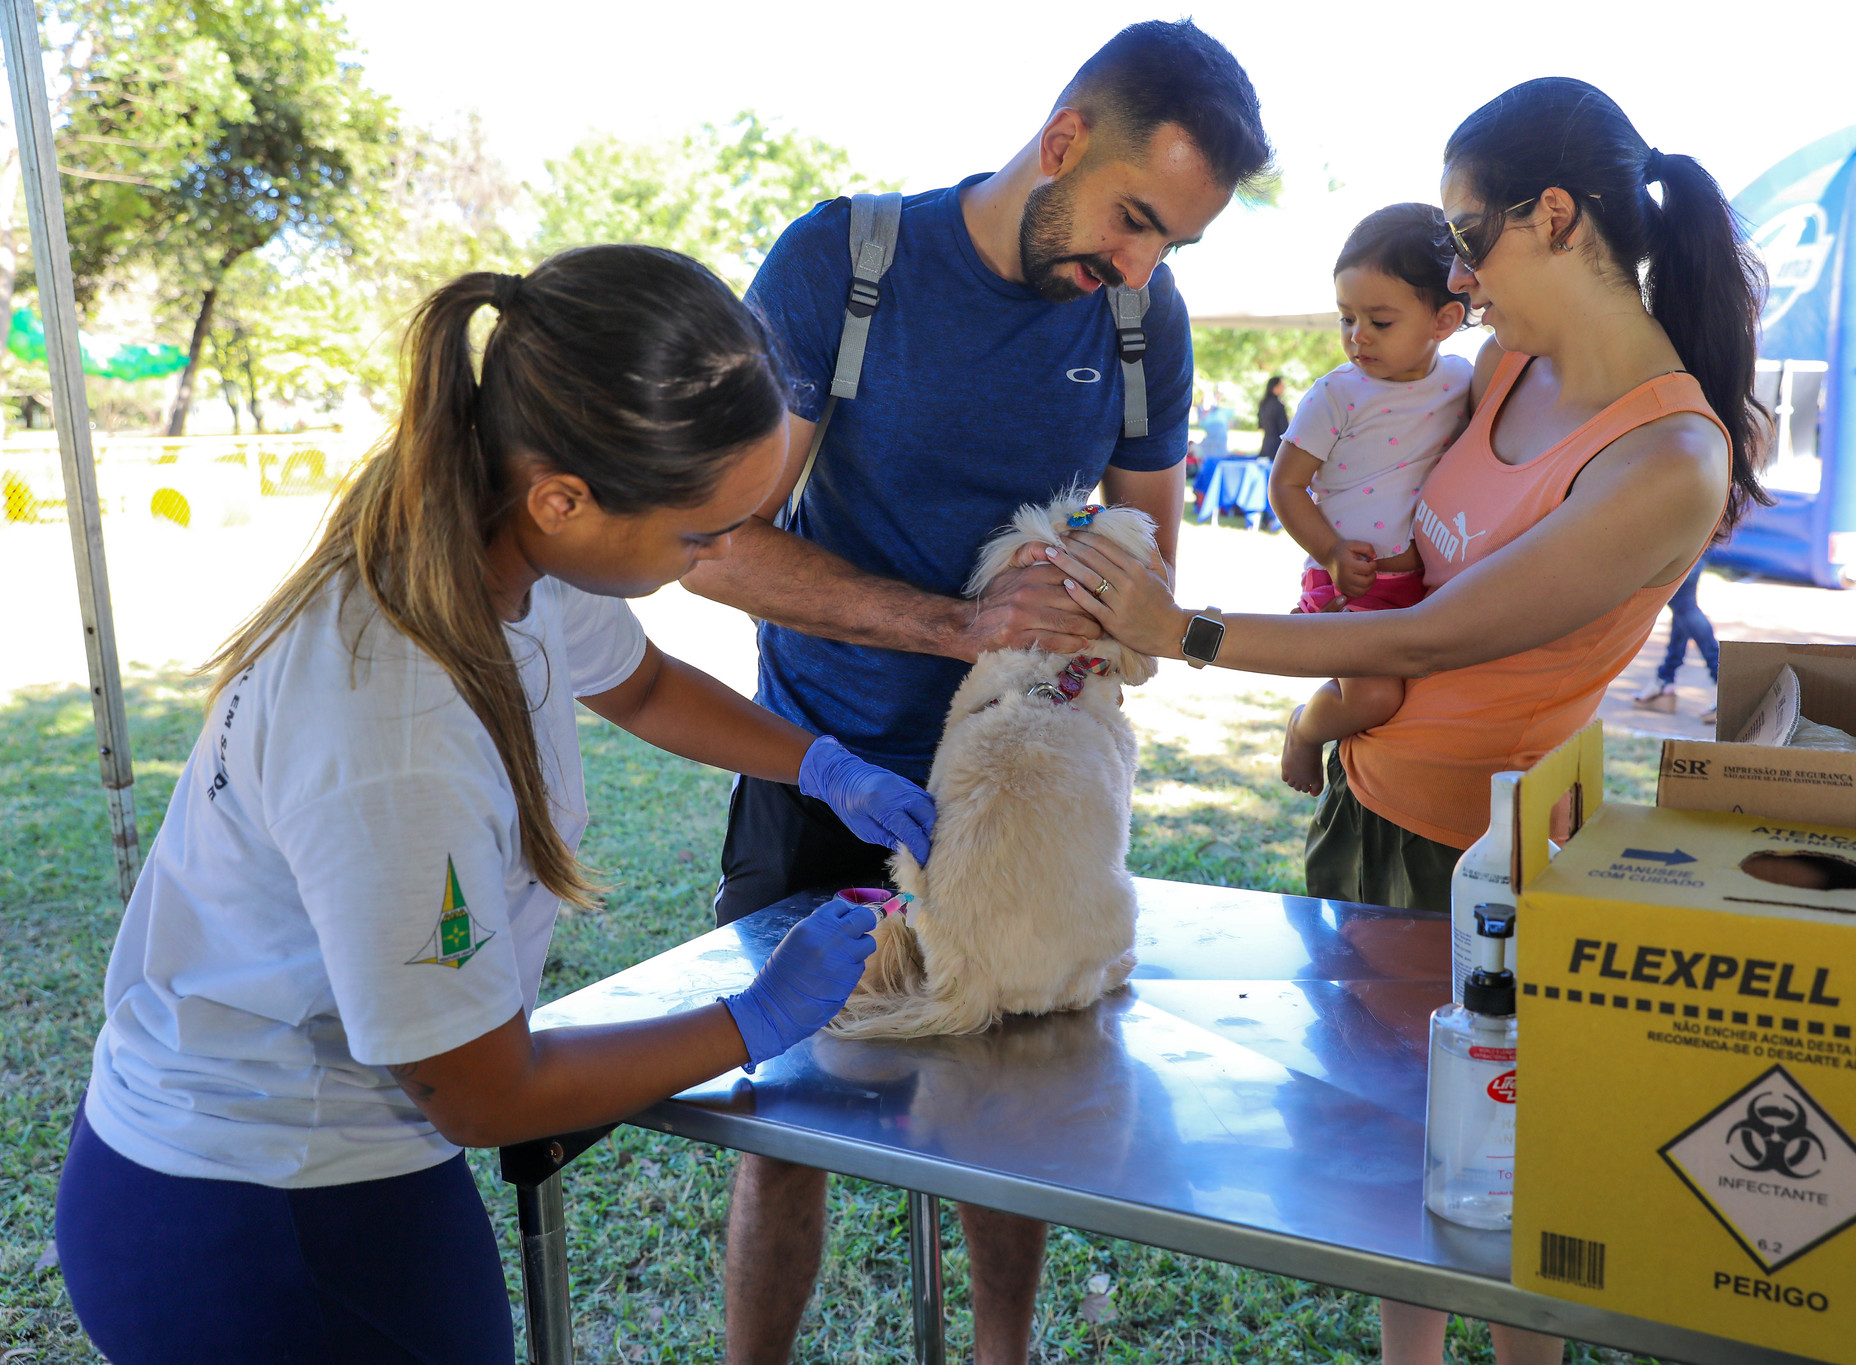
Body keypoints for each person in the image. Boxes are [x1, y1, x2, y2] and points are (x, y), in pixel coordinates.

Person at [52, 246, 938, 1364]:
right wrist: (751, 1020)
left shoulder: (504, 552)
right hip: (254, 1204)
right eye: (700, 534)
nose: (718, 557)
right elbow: (483, 1094)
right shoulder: (393, 730)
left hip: (343, 1161)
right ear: (564, 497)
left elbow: (646, 684)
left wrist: (823, 765)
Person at [1039, 76, 1769, 1365]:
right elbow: (1389, 527)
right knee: (1387, 1165)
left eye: (1467, 238)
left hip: (1482, 856)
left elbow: (1439, 632)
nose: (1461, 279)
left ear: (1554, 217)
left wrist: (1191, 632)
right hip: (1368, 812)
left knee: (1496, 1180)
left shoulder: (1665, 460)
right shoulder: (1501, 367)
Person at [678, 19, 1271, 1365]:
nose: (1138, 268)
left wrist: (1123, 623)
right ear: (1062, 141)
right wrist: (958, 622)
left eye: (1171, 243)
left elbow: (1153, 568)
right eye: (1132, 220)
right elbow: (714, 550)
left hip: (1019, 796)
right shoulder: (847, 264)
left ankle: (1002, 1351)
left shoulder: (1139, 320)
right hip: (828, 764)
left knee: (1007, 1116)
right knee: (787, 1119)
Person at [1270, 204, 1472, 794]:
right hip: (1347, 581)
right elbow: (1285, 484)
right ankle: (1305, 731)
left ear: (1445, 319)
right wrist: (1331, 552)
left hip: (1418, 591)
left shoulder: (1464, 380)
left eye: (1379, 322)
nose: (1357, 337)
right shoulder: (1336, 394)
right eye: (1346, 317)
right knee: (1378, 696)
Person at [1633, 555, 1721, 724]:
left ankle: (1725, 685)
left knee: (1684, 604)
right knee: (1682, 605)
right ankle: (1665, 679)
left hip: (1681, 537)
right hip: (1695, 539)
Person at [1256, 374, 1289, 460]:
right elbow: (1284, 429)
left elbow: (1260, 425)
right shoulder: (1278, 406)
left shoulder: (1263, 404)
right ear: (1275, 387)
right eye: (1282, 385)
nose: (1284, 387)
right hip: (1277, 449)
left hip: (1265, 447)